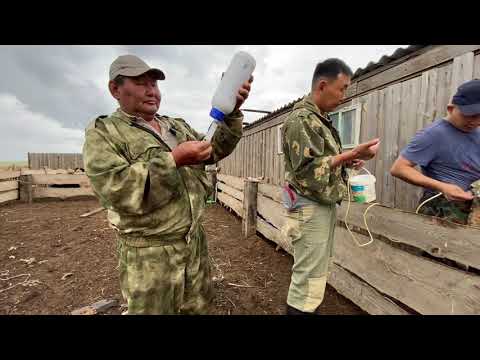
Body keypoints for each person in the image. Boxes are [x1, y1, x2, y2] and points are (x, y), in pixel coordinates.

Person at [83, 54, 253, 314]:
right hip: (150, 258)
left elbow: (214, 148)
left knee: (199, 309)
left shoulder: (175, 126)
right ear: (115, 89)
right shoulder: (104, 133)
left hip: (194, 246)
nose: (152, 91)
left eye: (154, 84)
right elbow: (116, 189)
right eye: (141, 83)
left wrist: (232, 112)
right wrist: (174, 159)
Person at [281, 58, 380, 315]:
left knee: (315, 276)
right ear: (323, 85)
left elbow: (323, 163)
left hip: (319, 206)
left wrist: (350, 161)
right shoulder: (302, 119)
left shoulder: (319, 119)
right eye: (343, 88)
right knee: (307, 280)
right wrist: (348, 155)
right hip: (309, 207)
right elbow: (307, 172)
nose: (344, 96)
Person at [390, 79, 480, 224]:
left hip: (474, 207)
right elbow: (399, 169)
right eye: (469, 115)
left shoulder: (477, 129)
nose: (475, 121)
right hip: (443, 210)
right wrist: (442, 187)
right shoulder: (433, 134)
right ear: (451, 109)